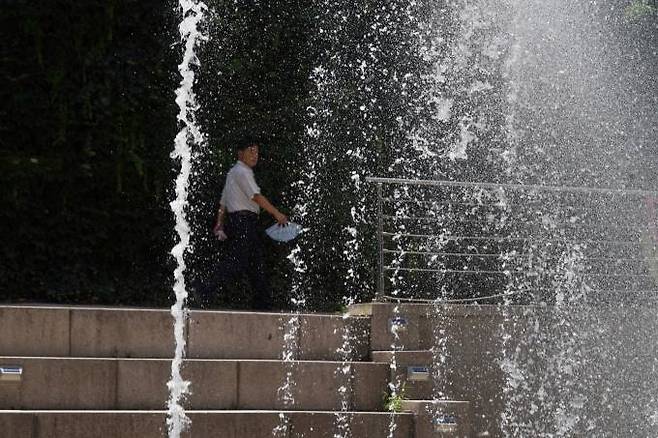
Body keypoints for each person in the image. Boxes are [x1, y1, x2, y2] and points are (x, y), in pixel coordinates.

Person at [195, 140, 288, 309]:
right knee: (238, 261)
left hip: (241, 222)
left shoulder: (232, 173)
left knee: (255, 264)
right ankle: (204, 287)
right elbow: (256, 196)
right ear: (240, 153)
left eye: (257, 152)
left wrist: (220, 224)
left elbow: (223, 204)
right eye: (251, 151)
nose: (255, 156)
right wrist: (276, 213)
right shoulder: (242, 172)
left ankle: (262, 304)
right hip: (244, 222)